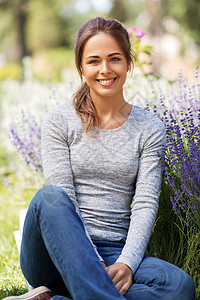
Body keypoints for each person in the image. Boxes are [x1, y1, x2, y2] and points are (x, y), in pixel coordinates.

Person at [4, 17, 195, 300]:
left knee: (178, 286)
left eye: (114, 58)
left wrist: (127, 264)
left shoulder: (150, 127)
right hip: (54, 251)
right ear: (81, 67)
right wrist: (93, 266)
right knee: (51, 197)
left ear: (128, 63)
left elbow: (144, 203)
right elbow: (63, 195)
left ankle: (59, 297)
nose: (105, 69)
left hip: (116, 249)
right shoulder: (59, 121)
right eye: (94, 61)